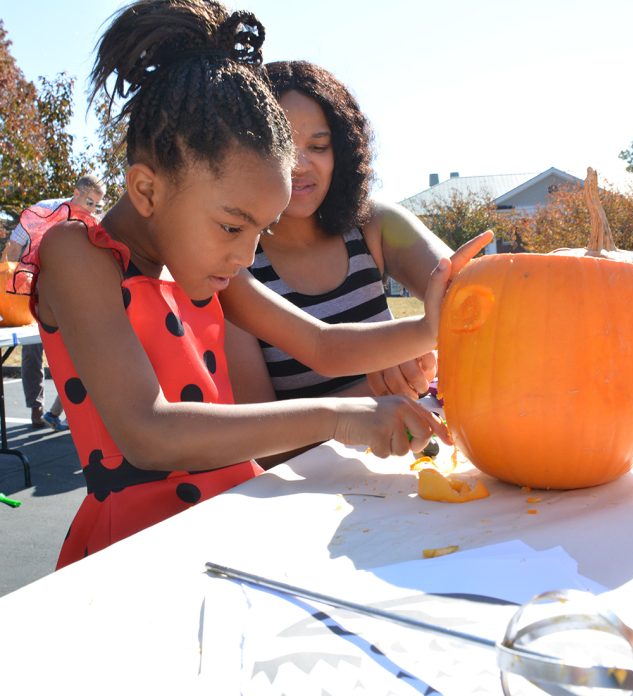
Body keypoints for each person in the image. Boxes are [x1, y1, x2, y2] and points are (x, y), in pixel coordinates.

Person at [22, 0, 489, 569]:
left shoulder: (206, 263)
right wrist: (342, 418)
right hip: (139, 552)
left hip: (233, 519)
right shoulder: (78, 254)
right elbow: (148, 432)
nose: (246, 253)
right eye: (232, 226)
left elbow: (322, 343)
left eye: (260, 231)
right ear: (145, 191)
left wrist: (431, 326)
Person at [225, 60, 480, 466]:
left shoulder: (375, 224)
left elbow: (466, 294)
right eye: (283, 147)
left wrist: (420, 350)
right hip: (306, 500)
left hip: (412, 473)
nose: (300, 165)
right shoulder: (232, 265)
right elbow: (258, 447)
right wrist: (374, 388)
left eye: (319, 146)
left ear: (341, 152)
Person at [3, 174, 105, 430]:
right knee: (32, 350)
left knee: (75, 351)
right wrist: (13, 283)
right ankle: (37, 409)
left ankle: (58, 412)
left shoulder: (90, 223)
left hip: (64, 292)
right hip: (30, 288)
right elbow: (13, 249)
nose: (91, 208)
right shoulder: (43, 210)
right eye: (89, 202)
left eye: (96, 205)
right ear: (76, 192)